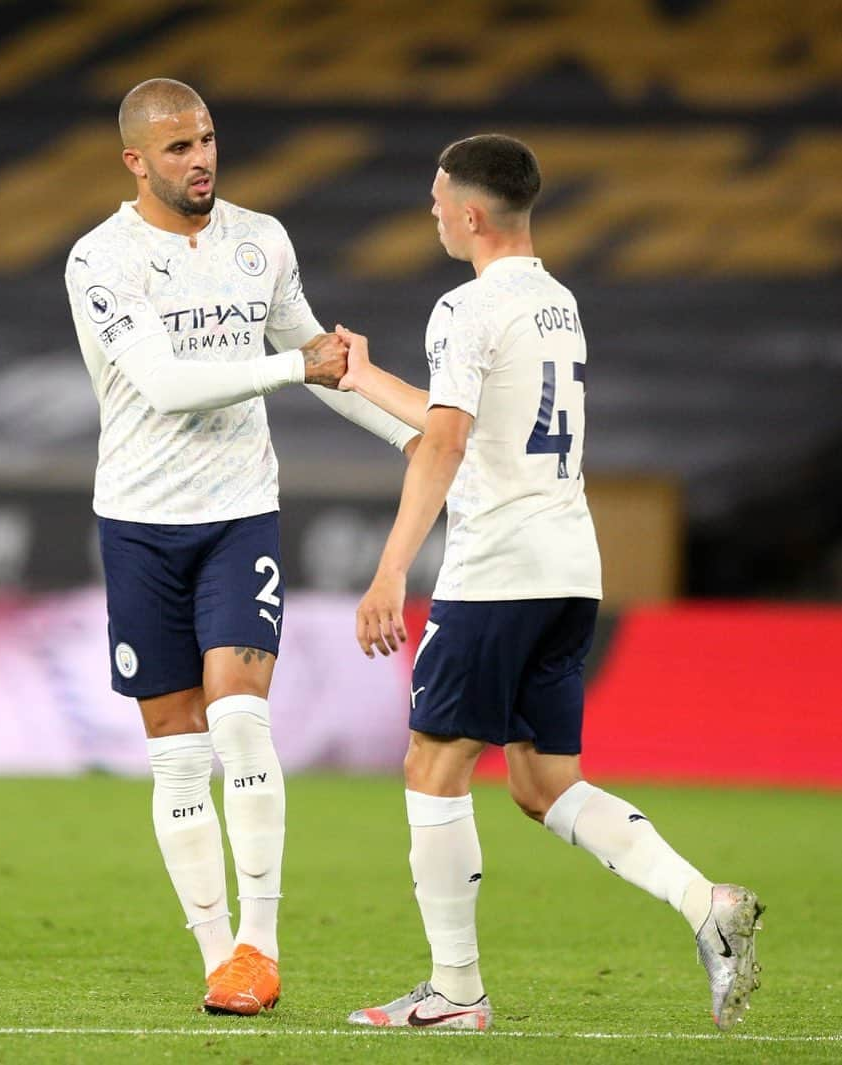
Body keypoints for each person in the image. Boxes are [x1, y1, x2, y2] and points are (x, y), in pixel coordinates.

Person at [335, 134, 763, 1032]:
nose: (431, 208)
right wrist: (365, 375)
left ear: (472, 214)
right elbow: (468, 420)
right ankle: (704, 902)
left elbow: (446, 444)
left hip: (494, 571)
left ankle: (455, 992)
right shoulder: (556, 303)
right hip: (568, 569)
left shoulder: (464, 306)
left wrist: (387, 569)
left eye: (437, 196)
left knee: (432, 763)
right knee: (541, 780)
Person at [64, 79, 419, 1016]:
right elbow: (167, 385)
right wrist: (293, 365)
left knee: (239, 718)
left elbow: (320, 360)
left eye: (208, 139)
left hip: (237, 513)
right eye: (177, 148)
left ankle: (260, 939)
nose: (201, 159)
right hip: (139, 520)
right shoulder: (100, 260)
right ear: (136, 161)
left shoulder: (262, 241)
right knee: (177, 753)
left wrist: (415, 440)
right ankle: (219, 955)